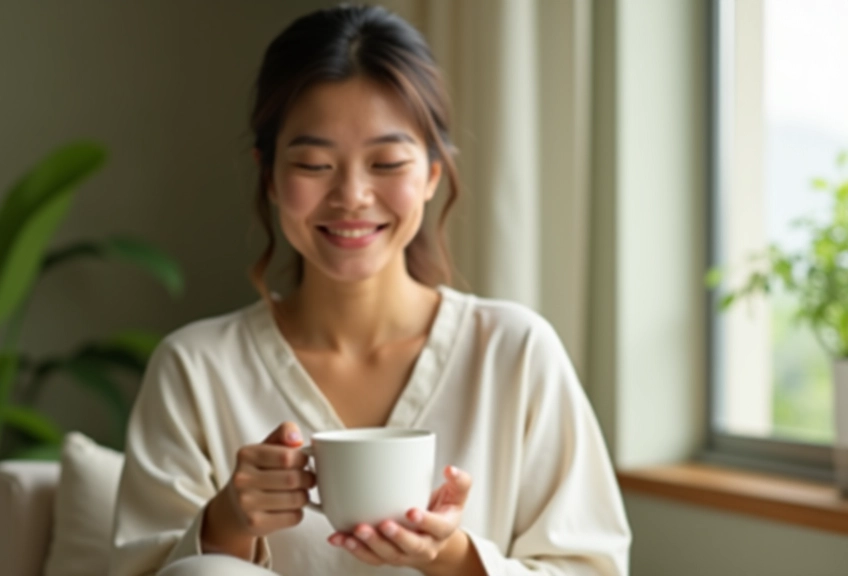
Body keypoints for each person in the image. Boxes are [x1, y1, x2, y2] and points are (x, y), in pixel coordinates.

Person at [109, 5, 631, 576]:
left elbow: (593, 566)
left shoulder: (514, 352)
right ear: (270, 176)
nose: (352, 196)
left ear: (432, 174)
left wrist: (454, 559)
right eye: (313, 164)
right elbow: (146, 569)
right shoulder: (196, 368)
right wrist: (228, 521)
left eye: (386, 162)